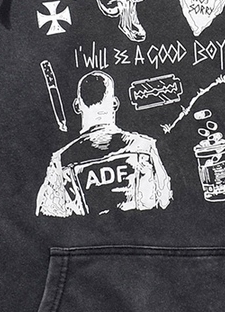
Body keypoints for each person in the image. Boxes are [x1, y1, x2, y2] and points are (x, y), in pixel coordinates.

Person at [35, 72, 172, 216]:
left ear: (77, 105)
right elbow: (165, 201)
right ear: (115, 103)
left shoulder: (61, 160)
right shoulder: (145, 147)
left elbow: (48, 214)